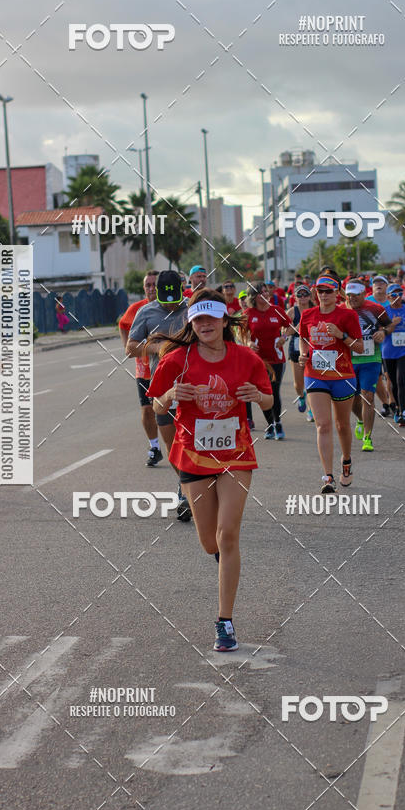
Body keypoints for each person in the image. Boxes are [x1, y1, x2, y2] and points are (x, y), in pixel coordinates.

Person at [147, 289, 273, 652]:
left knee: (228, 534)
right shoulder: (176, 359)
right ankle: (223, 561)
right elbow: (156, 404)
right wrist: (172, 396)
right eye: (198, 319)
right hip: (195, 457)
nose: (205, 325)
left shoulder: (246, 358)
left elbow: (268, 400)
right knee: (209, 543)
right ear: (191, 323)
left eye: (211, 318)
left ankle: (225, 622)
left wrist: (257, 397)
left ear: (223, 321)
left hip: (236, 455)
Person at [126, 270, 191, 520]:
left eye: (174, 299)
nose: (170, 304)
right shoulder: (147, 312)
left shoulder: (192, 308)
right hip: (162, 388)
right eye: (165, 301)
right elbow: (130, 347)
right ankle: (184, 483)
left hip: (193, 386)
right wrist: (155, 346)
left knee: (194, 442)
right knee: (173, 445)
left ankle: (189, 492)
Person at [299, 275, 363, 493]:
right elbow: (303, 338)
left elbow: (360, 348)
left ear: (338, 293)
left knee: (342, 425)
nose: (324, 295)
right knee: (323, 425)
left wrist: (341, 335)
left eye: (328, 291)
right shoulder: (307, 314)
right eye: (320, 290)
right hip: (315, 375)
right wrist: (303, 353)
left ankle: (346, 461)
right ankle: (328, 476)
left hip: (342, 376)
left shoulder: (347, 315)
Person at [344, 280, 393, 452]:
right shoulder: (342, 310)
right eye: (349, 295)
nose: (352, 298)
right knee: (352, 400)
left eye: (355, 295)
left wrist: (383, 332)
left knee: (368, 396)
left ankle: (367, 437)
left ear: (364, 293)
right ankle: (360, 419)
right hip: (349, 361)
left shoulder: (376, 308)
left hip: (371, 359)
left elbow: (389, 324)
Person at [119, 271, 161, 466]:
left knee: (172, 411)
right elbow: (122, 324)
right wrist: (127, 345)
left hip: (168, 369)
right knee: (147, 410)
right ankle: (154, 447)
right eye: (148, 285)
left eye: (154, 284)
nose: (151, 288)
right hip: (144, 371)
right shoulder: (137, 309)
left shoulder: (171, 307)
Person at [245, 282, 291, 439]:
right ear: (254, 296)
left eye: (266, 291)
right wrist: (248, 343)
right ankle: (270, 424)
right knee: (262, 393)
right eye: (261, 292)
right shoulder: (248, 313)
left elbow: (291, 327)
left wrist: (284, 337)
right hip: (257, 361)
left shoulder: (276, 311)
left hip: (277, 359)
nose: (265, 294)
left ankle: (278, 423)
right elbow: (240, 333)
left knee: (273, 391)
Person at [381, 283, 405, 427]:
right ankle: (396, 408)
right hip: (389, 351)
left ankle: (402, 412)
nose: (397, 298)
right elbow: (380, 330)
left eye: (399, 294)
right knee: (393, 383)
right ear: (388, 297)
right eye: (394, 295)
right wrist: (392, 324)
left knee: (401, 379)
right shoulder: (384, 311)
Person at [366, 275, 397, 417]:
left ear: (386, 286)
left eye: (381, 283)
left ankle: (393, 402)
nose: (378, 285)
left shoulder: (392, 301)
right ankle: (385, 403)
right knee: (377, 377)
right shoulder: (366, 301)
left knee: (389, 376)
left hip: (391, 344)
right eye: (376, 283)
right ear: (372, 286)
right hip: (372, 344)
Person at [285, 283, 313, 419]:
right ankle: (301, 396)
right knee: (298, 383)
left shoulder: (316, 309)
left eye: (305, 294)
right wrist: (299, 325)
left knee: (313, 381)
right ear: (295, 297)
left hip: (314, 347)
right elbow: (285, 332)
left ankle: (311, 409)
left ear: (310, 296)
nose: (302, 297)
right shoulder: (292, 312)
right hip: (296, 347)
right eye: (299, 295)